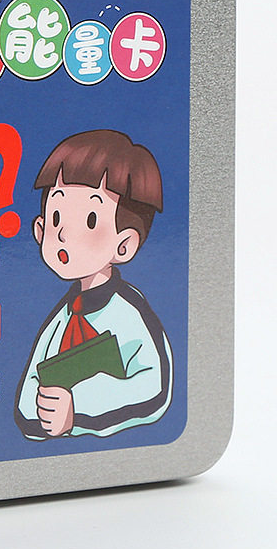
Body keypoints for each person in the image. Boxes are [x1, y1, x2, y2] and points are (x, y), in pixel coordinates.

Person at [15, 129, 173, 440]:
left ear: (124, 245)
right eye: (56, 217)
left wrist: (78, 408)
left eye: (89, 221)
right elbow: (27, 396)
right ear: (40, 229)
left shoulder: (129, 313)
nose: (63, 234)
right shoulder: (61, 317)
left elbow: (154, 387)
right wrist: (45, 413)